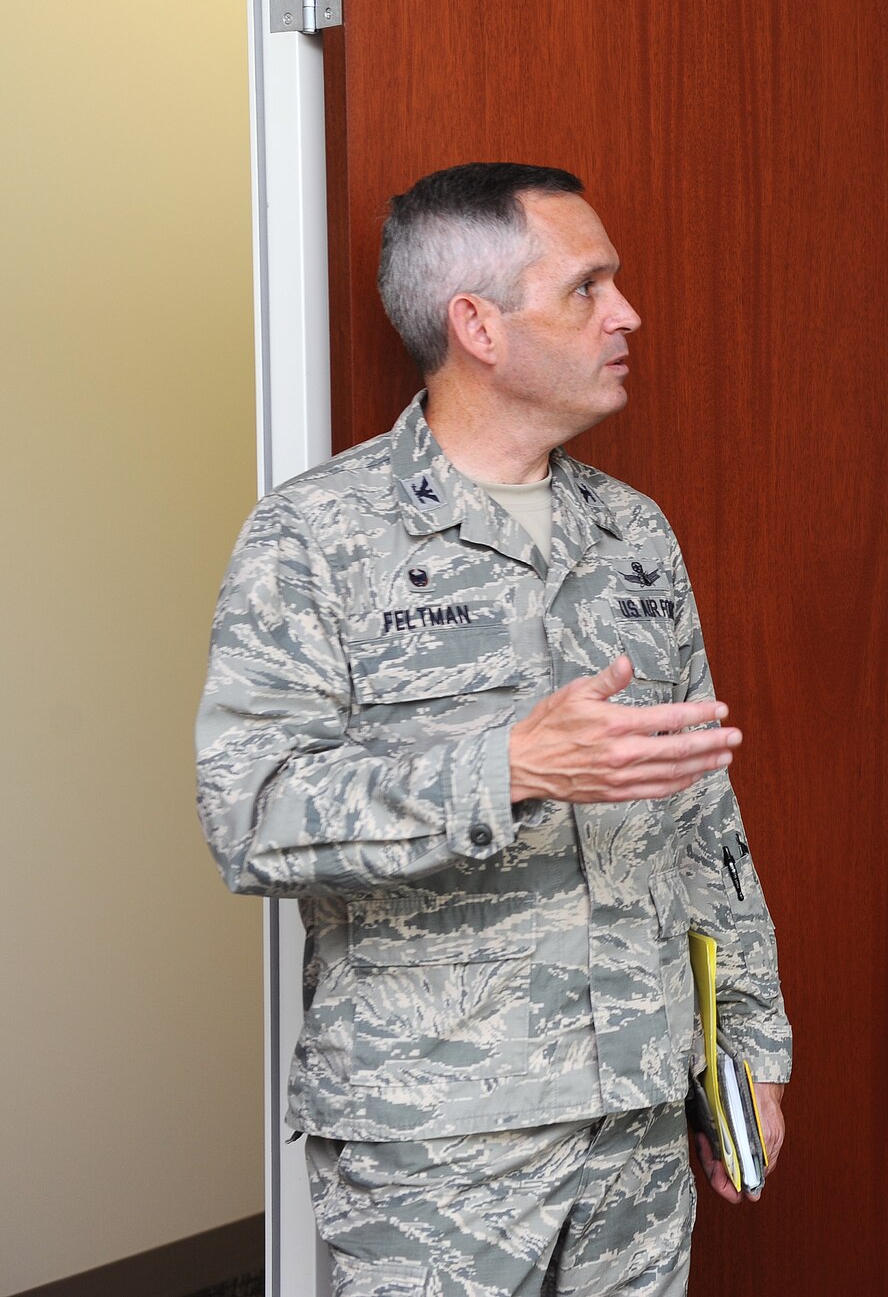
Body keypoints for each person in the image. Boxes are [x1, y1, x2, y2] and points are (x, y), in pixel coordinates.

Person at [197, 162, 791, 1296]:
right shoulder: (314, 538)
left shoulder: (630, 530)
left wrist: (746, 1045)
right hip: (438, 1145)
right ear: (476, 323)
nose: (626, 315)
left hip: (634, 1118)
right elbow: (252, 815)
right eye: (586, 288)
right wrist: (506, 767)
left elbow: (704, 812)